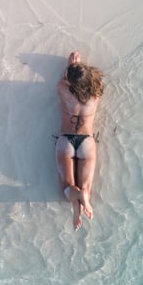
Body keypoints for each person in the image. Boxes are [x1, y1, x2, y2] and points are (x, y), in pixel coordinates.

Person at [56, 51, 104, 230]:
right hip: (86, 142)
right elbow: (86, 80)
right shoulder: (96, 92)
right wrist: (79, 70)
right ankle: (83, 196)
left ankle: (76, 201)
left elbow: (66, 80)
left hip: (66, 140)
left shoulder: (62, 88)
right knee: (87, 186)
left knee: (66, 188)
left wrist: (70, 67)